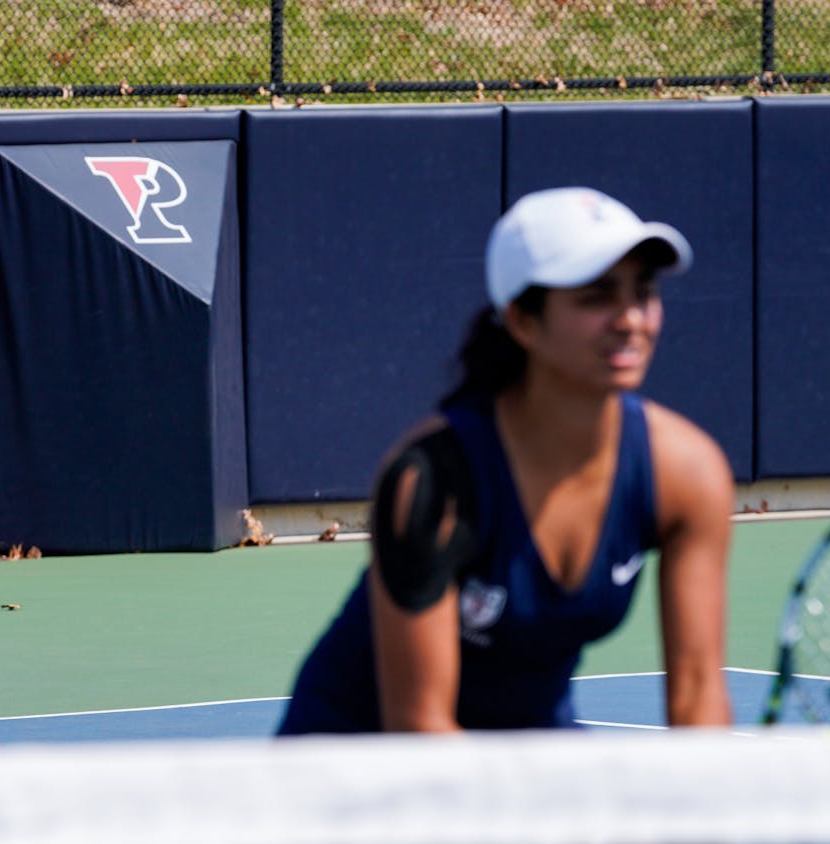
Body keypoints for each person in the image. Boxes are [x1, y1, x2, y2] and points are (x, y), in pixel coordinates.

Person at [277, 186, 733, 734]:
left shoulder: (688, 473)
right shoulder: (435, 479)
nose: (631, 319)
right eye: (596, 297)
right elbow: (419, 727)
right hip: (353, 757)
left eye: (643, 292)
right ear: (522, 321)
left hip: (528, 742)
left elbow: (699, 696)